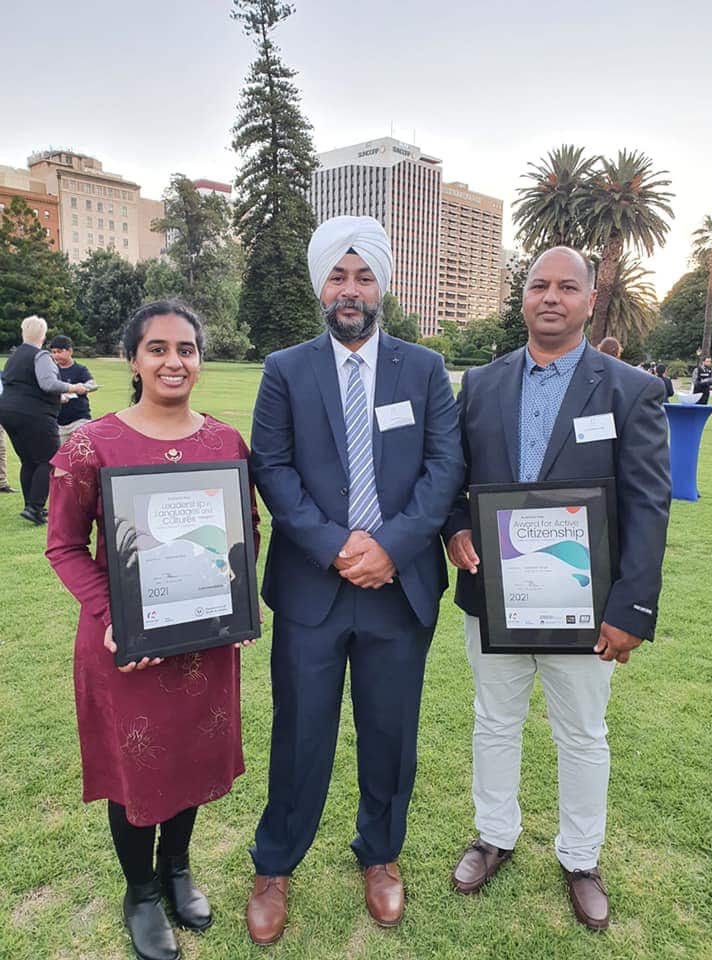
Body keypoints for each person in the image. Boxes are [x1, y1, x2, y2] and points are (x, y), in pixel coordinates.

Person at [245, 216, 464, 944]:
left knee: (389, 734)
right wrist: (340, 547)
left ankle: (381, 856)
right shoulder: (285, 370)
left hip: (398, 592)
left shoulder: (424, 370)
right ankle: (275, 866)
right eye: (337, 276)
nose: (349, 289)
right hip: (314, 587)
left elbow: (444, 472)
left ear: (383, 286)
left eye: (363, 276)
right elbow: (271, 470)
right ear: (320, 285)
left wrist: (392, 548)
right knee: (300, 733)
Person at [444, 247, 670, 932]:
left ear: (590, 300)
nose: (551, 296)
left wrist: (630, 609)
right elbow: (450, 473)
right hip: (495, 593)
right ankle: (494, 835)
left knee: (582, 732)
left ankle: (580, 857)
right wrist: (454, 528)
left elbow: (648, 503)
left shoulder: (630, 389)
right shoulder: (480, 384)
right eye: (539, 284)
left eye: (566, 287)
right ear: (523, 298)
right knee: (494, 720)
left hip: (585, 600)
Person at [46, 301, 260, 960]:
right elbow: (63, 546)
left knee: (191, 760)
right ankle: (140, 890)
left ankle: (177, 869)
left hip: (202, 641)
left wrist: (235, 603)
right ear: (132, 359)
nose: (175, 361)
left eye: (187, 349)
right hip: (126, 648)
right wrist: (115, 617)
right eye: (159, 348)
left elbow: (242, 533)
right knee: (137, 770)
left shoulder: (225, 443)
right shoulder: (92, 443)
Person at [0, 315, 89, 524]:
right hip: (34, 414)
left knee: (28, 461)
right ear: (43, 335)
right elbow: (48, 383)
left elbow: (28, 386)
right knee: (49, 460)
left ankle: (30, 506)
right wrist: (73, 387)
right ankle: (35, 507)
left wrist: (60, 397)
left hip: (9, 413)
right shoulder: (40, 356)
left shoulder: (13, 357)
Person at [49, 335, 95, 442]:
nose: (56, 355)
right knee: (60, 456)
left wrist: (83, 388)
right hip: (59, 423)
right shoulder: (52, 371)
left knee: (82, 453)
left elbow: (91, 384)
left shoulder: (80, 369)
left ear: (70, 351)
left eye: (59, 352)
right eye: (54, 352)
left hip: (79, 420)